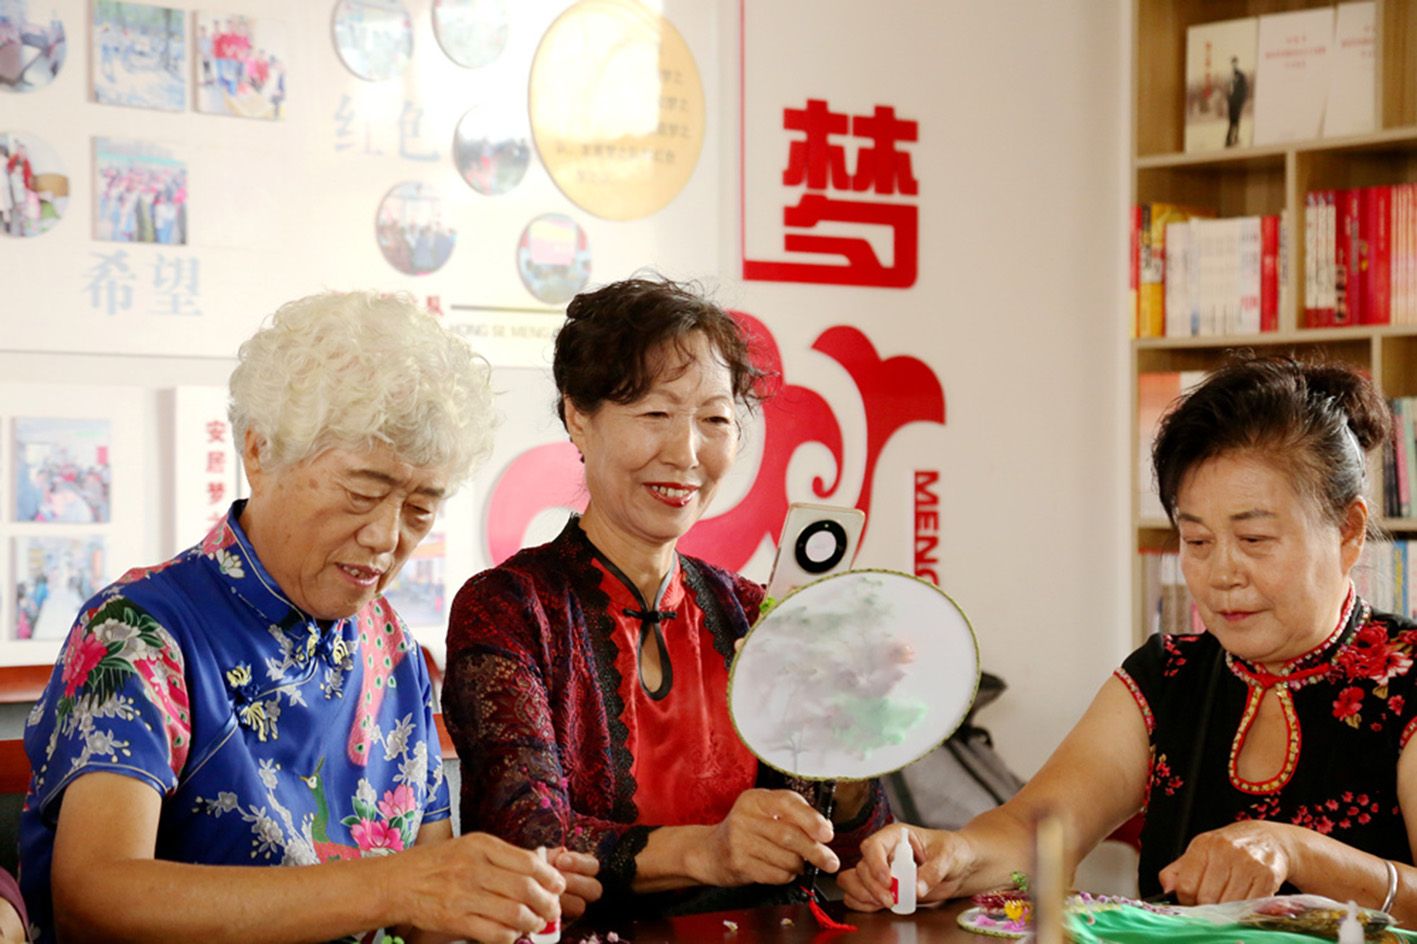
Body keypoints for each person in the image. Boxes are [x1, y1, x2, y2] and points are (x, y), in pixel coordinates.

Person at [19, 292, 600, 944]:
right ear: (260, 452)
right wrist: (393, 885)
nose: (386, 537)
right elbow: (94, 897)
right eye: (361, 492)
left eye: (419, 509)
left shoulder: (392, 648)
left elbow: (423, 912)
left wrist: (506, 894)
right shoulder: (141, 632)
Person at [841, 355, 1417, 923]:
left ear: (1347, 531)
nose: (1222, 574)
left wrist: (1295, 850)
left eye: (1255, 540)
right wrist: (951, 856)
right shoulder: (1165, 676)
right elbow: (1034, 834)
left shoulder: (1409, 677)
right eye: (1197, 542)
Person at [442, 276, 890, 916]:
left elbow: (850, 850)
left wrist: (847, 747)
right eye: (655, 414)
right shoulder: (511, 609)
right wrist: (708, 851)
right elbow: (527, 840)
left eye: (715, 420)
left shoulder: (752, 614)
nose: (686, 452)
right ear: (579, 417)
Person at [1226, 55, 1248, 147]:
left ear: (1237, 63)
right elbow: (1227, 89)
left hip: (1238, 102)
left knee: (1237, 120)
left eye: (1235, 62)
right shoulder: (1229, 75)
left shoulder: (1241, 75)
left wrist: (1242, 100)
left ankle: (1235, 137)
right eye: (1232, 63)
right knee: (1231, 121)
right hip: (1231, 102)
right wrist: (1228, 99)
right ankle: (1229, 139)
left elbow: (1244, 88)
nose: (1233, 64)